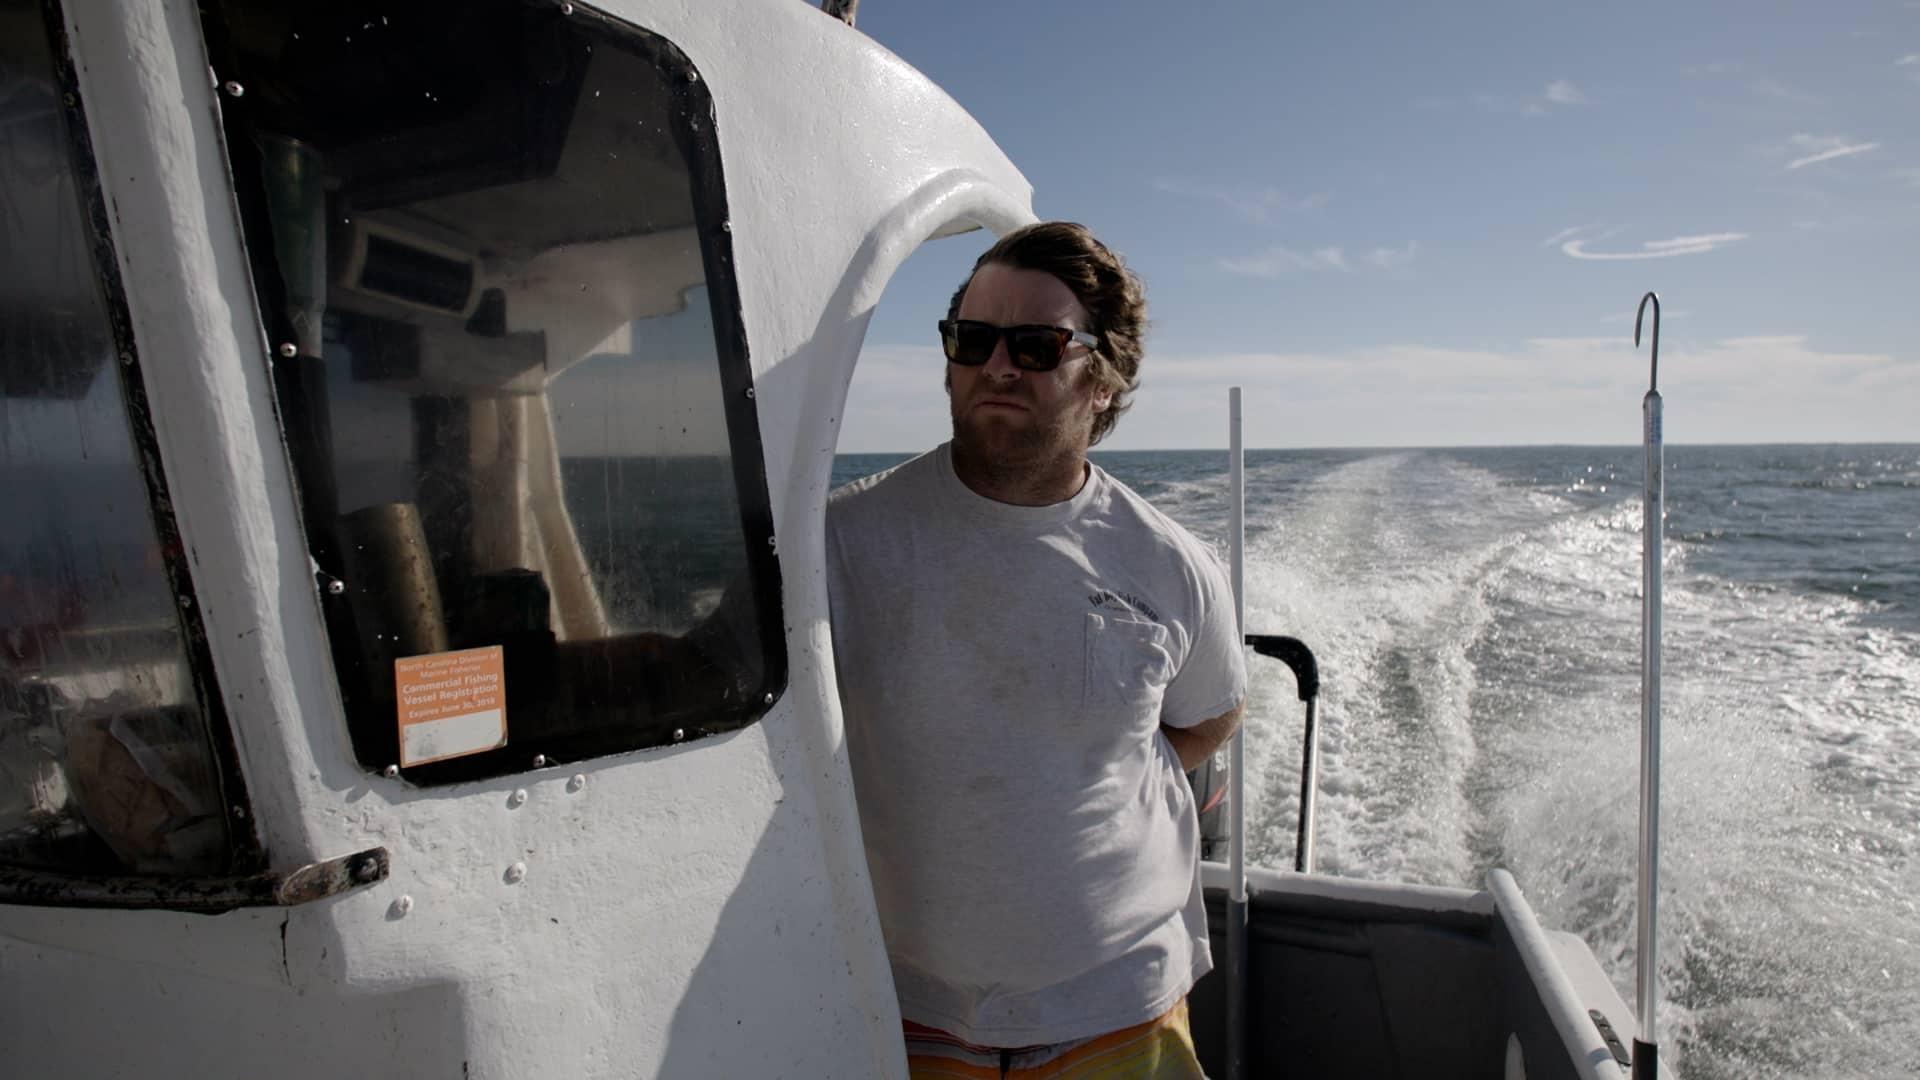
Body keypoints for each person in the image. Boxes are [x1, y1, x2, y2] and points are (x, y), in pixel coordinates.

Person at [826, 221, 1247, 1077]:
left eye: (1038, 344)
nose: (999, 365)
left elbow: (1210, 717)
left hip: (1119, 1007)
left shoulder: (1170, 564)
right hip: (905, 1008)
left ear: (1104, 378)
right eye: (973, 340)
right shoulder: (841, 542)